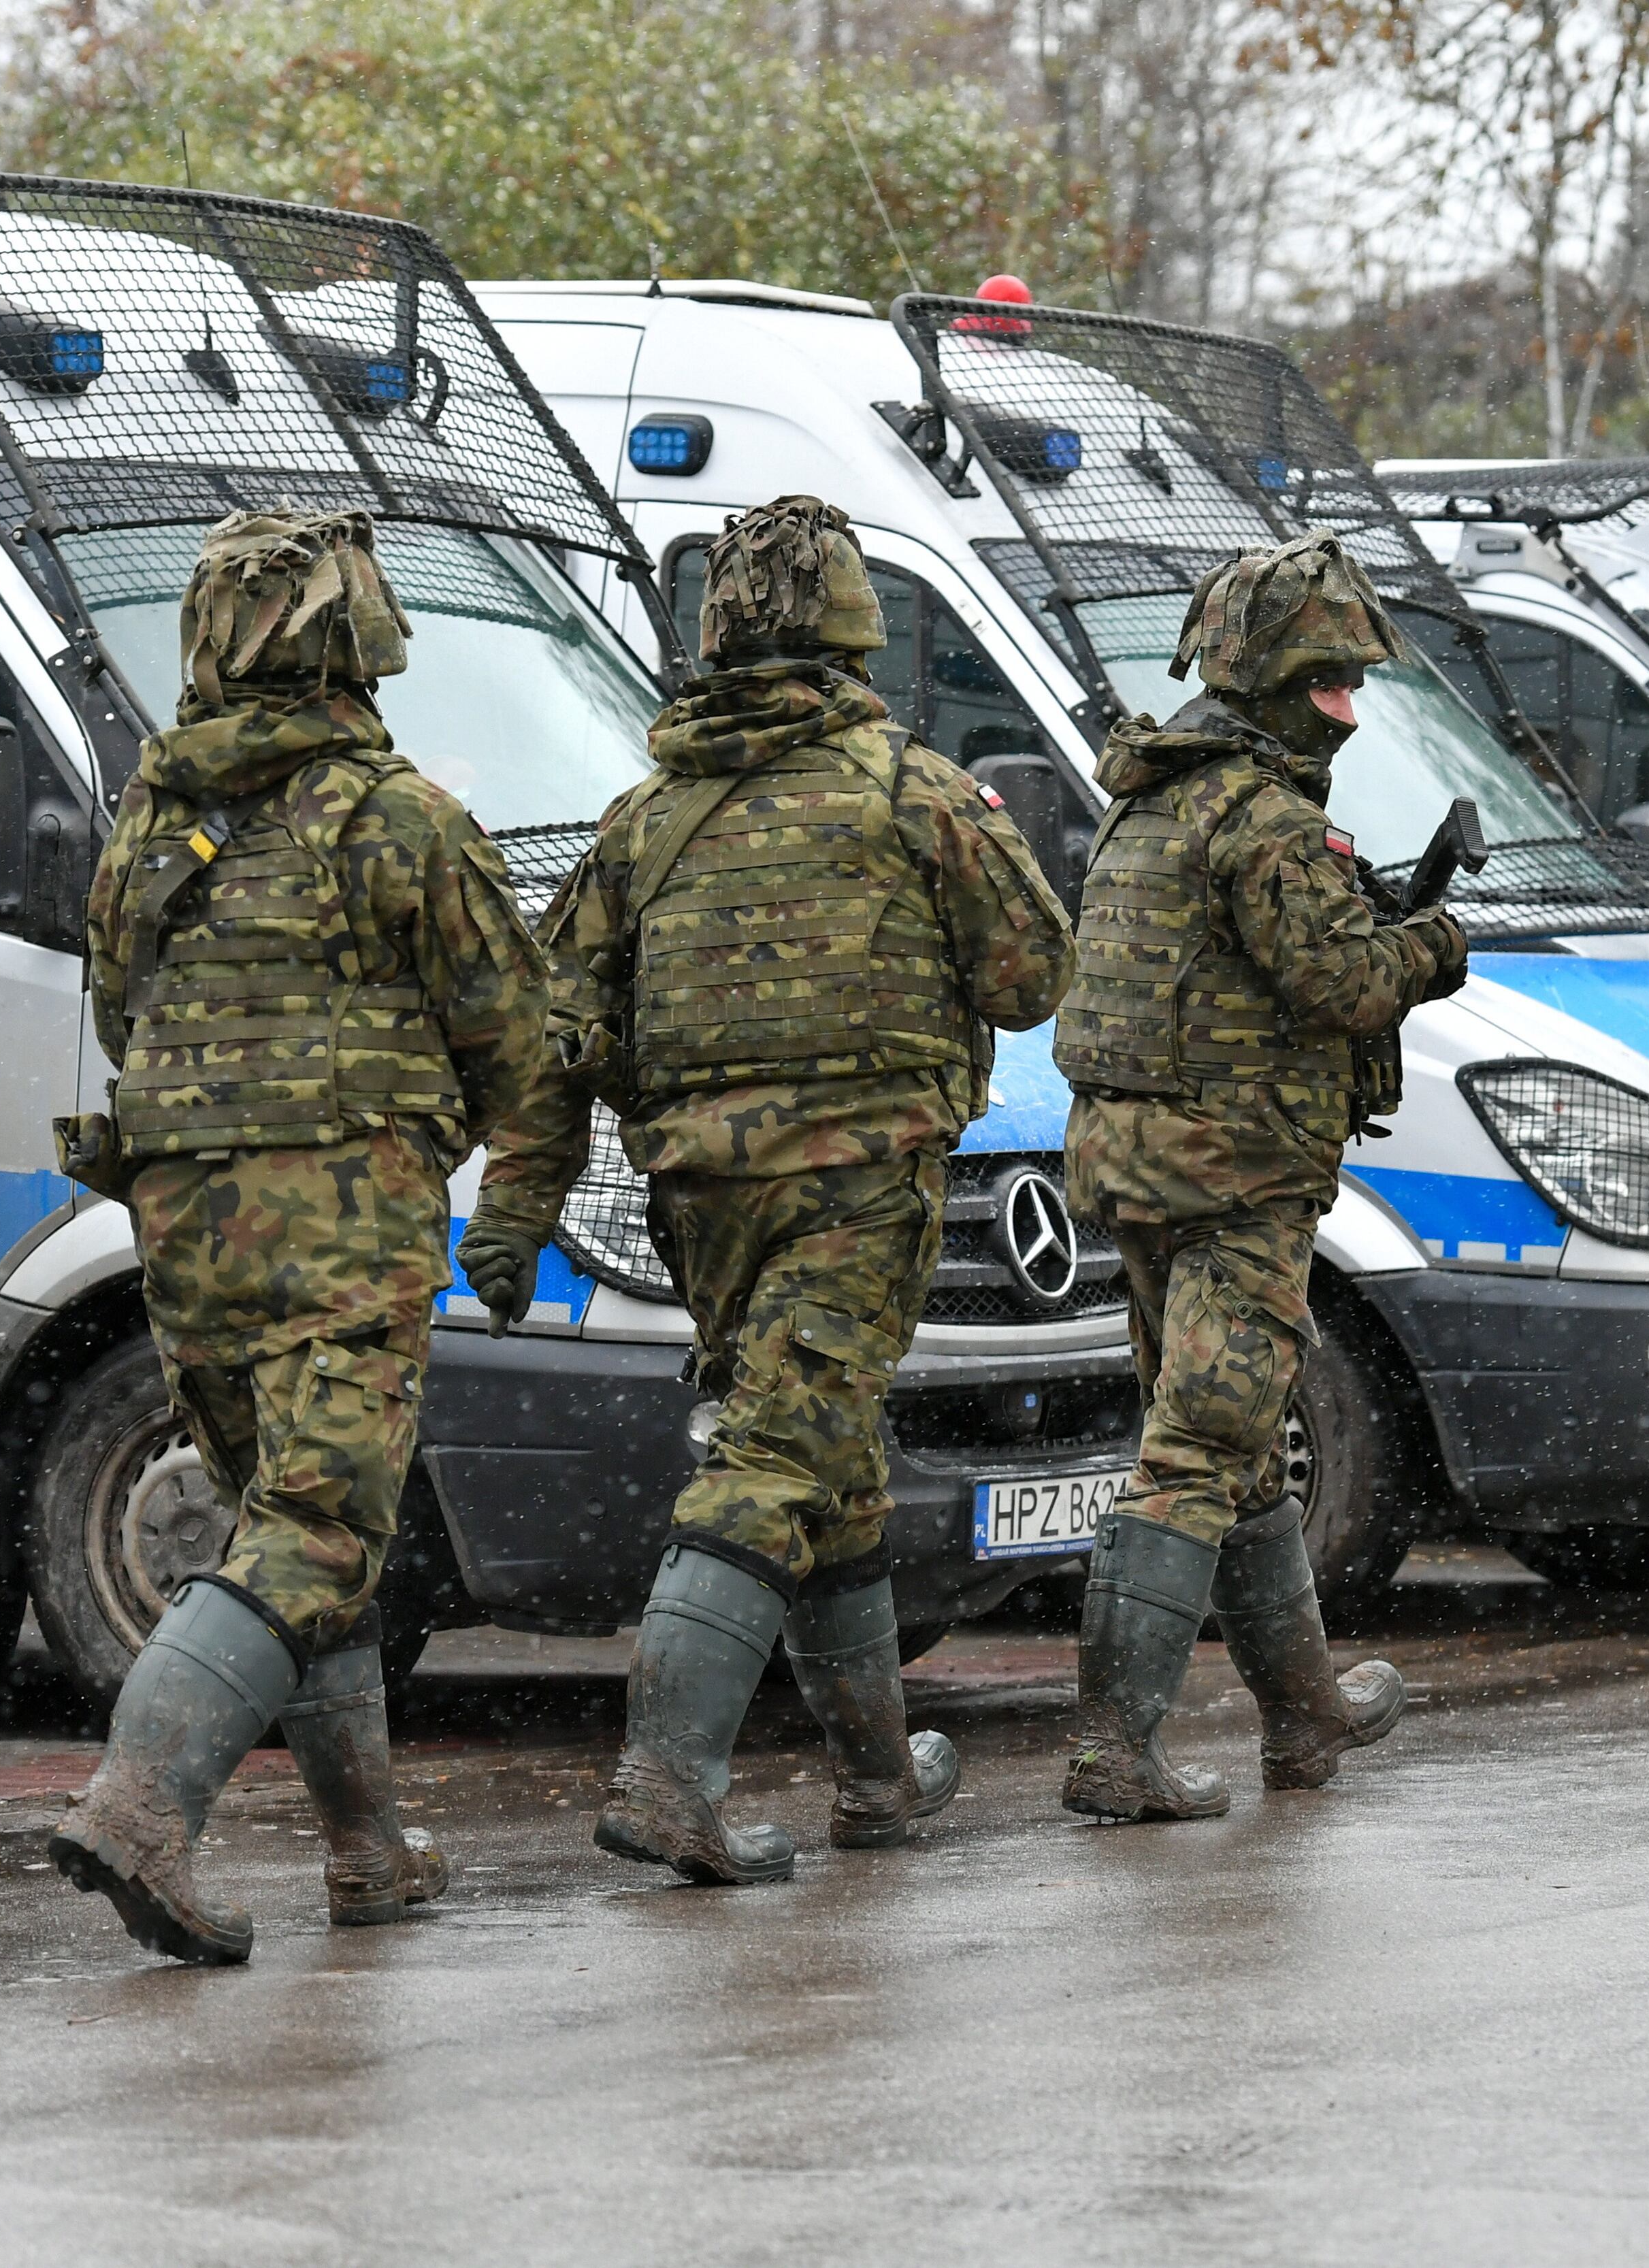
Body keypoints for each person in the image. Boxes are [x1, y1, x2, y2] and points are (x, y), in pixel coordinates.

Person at [461, 495, 1071, 1886]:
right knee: (777, 1462)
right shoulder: (914, 793)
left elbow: (557, 1037)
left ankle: (874, 1777)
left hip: (703, 1208)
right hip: (855, 1197)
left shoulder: (645, 821)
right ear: (854, 635)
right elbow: (1035, 977)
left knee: (832, 1471)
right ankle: (666, 1781)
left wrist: (515, 1212)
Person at [48, 508, 554, 1965]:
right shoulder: (402, 822)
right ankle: (140, 1805)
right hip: (342, 1232)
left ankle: (367, 1847)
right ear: (359, 640)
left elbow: (121, 1017)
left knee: (291, 1517)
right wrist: (511, 1220)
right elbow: (517, 1053)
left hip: (187, 1230)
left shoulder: (153, 819)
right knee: (321, 1527)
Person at [1053, 531, 1469, 1822]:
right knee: (1197, 1446)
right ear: (1280, 680)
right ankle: (1115, 1748)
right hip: (1233, 1179)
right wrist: (1433, 944)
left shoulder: (1154, 794)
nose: (1349, 706)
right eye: (1333, 681)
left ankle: (1304, 1711)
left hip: (1136, 1167)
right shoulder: (1266, 820)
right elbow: (1339, 983)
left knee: (1235, 1448)